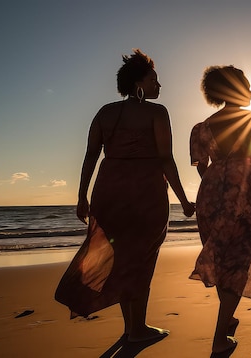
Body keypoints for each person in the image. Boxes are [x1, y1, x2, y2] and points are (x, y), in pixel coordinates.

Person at [55, 49, 195, 344]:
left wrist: (82, 196)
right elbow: (166, 159)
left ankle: (130, 328)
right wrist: (183, 200)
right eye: (154, 79)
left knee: (121, 258)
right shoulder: (158, 112)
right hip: (146, 194)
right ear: (139, 83)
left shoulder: (105, 113)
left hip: (109, 192)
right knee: (142, 260)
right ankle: (138, 329)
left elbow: (90, 156)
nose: (159, 85)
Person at [189, 65, 251, 357]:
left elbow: (202, 164)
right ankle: (219, 337)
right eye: (246, 85)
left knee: (223, 259)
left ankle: (227, 318)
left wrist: (217, 185)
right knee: (238, 262)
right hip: (247, 194)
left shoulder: (201, 127)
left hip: (211, 195)